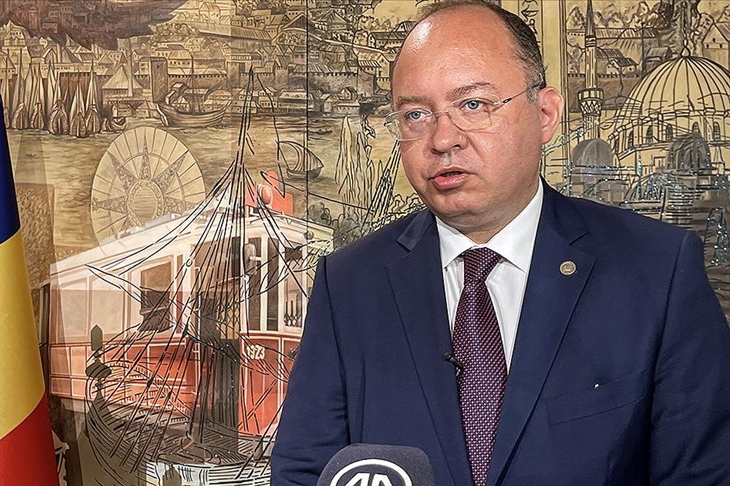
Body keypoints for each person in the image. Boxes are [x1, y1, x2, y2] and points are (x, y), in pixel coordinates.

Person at [270, 1, 730, 485]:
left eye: (473, 105)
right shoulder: (348, 285)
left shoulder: (658, 270)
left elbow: (703, 473)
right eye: (416, 115)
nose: (443, 139)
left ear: (545, 114)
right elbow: (305, 471)